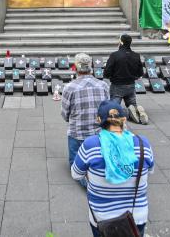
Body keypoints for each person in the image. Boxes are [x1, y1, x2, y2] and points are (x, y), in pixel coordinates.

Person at [72, 100, 154, 237]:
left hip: (103, 217)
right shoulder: (142, 143)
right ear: (124, 119)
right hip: (136, 217)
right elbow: (150, 171)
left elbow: (75, 174)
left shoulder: (90, 145)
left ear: (99, 120)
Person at [61, 52, 110, 186]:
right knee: (99, 160)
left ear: (75, 68)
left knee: (75, 165)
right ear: (91, 67)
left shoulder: (69, 87)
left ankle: (91, 185)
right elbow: (108, 109)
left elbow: (65, 114)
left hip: (77, 133)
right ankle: (101, 176)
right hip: (99, 133)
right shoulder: (103, 85)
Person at [104, 34, 147, 124]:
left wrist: (110, 76)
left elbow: (107, 72)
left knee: (113, 109)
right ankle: (137, 111)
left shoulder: (114, 55)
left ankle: (124, 113)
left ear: (121, 42)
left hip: (117, 86)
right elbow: (140, 73)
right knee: (132, 103)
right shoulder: (136, 55)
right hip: (131, 85)